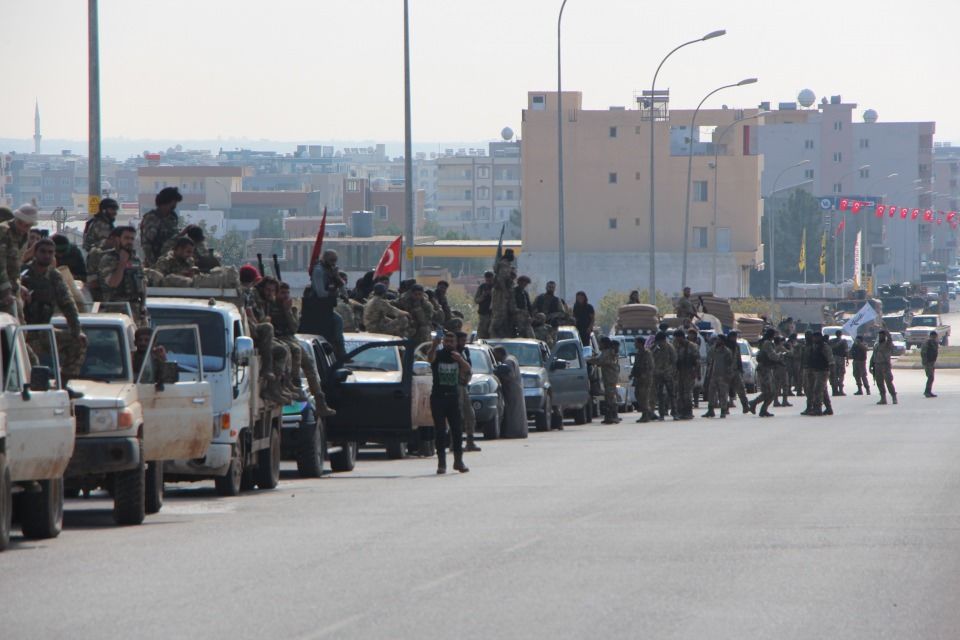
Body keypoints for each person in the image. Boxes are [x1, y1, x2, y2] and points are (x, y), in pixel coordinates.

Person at [20, 238, 88, 381]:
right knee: (32, 364)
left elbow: (68, 304)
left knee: (79, 342)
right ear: (35, 253)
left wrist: (77, 330)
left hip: (43, 332)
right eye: (43, 251)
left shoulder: (54, 276)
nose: (46, 255)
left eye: (50, 252)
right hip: (21, 334)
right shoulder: (23, 274)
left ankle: (64, 383)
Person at [427, 332, 471, 474]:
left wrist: (460, 361)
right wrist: (434, 345)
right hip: (438, 397)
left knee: (457, 431)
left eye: (451, 341)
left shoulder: (458, 355)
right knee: (440, 431)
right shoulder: (438, 354)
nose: (449, 343)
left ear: (455, 342)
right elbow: (430, 358)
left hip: (453, 398)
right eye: (446, 341)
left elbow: (468, 370)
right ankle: (441, 463)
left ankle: (458, 461)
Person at [98, 226, 147, 326]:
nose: (129, 241)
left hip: (135, 310)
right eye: (126, 238)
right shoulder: (108, 259)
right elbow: (113, 283)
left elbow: (143, 285)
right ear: (118, 239)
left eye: (132, 239)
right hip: (116, 309)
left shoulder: (136, 260)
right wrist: (122, 263)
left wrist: (143, 308)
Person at [306, 249, 346, 359]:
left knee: (338, 322)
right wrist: (334, 292)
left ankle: (340, 351)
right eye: (331, 260)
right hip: (317, 306)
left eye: (335, 260)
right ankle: (341, 353)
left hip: (327, 307)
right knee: (338, 321)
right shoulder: (319, 270)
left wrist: (337, 277)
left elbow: (343, 289)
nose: (333, 263)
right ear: (325, 259)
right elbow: (321, 293)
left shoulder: (331, 270)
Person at [0, 204, 37, 317]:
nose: (22, 228)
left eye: (27, 226)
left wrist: (19, 286)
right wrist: (6, 291)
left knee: (20, 326)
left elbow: (16, 264)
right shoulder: (4, 231)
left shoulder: (24, 236)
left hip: (11, 288)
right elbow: (1, 264)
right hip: (3, 288)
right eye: (20, 223)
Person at [140, 187, 182, 267]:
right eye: (174, 202)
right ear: (167, 201)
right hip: (156, 261)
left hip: (171, 260)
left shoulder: (172, 217)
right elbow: (146, 244)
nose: (175, 205)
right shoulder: (152, 218)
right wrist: (153, 265)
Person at [492, 345, 527, 439]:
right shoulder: (511, 358)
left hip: (512, 389)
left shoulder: (508, 361)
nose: (495, 357)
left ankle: (514, 433)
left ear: (500, 353)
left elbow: (510, 375)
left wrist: (498, 374)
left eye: (495, 354)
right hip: (514, 389)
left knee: (513, 413)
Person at [455, 332, 480, 452]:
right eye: (462, 340)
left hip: (464, 386)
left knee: (470, 415)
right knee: (456, 416)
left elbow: (469, 367)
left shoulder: (465, 351)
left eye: (465, 340)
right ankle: (454, 443)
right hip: (455, 386)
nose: (464, 342)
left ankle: (470, 441)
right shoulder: (453, 353)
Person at [748, 328, 781, 417]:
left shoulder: (765, 342)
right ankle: (754, 403)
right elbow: (772, 356)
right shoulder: (767, 343)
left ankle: (763, 409)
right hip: (764, 369)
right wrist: (780, 356)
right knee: (769, 391)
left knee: (772, 392)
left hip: (767, 368)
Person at [588, 337, 621, 424]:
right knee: (610, 397)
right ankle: (610, 417)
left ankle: (612, 417)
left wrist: (589, 361)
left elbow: (601, 361)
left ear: (605, 344)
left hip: (610, 378)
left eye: (601, 343)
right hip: (610, 378)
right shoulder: (607, 352)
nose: (599, 345)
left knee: (610, 398)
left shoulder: (607, 352)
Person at [86, 226, 121, 302]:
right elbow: (92, 280)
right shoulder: (97, 252)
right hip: (102, 298)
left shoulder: (122, 252)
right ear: (113, 238)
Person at [703, 335, 733, 418]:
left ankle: (723, 410)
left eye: (719, 339)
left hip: (723, 375)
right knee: (711, 393)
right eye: (717, 339)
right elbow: (708, 360)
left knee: (723, 394)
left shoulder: (727, 351)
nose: (717, 341)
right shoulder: (713, 349)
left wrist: (728, 376)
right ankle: (710, 410)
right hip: (713, 375)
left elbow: (730, 365)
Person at [805, 333, 834, 416]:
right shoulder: (814, 346)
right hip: (816, 371)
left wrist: (831, 371)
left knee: (817, 390)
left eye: (815, 337)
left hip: (823, 371)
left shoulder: (824, 346)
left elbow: (830, 359)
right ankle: (828, 408)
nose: (814, 339)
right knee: (823, 391)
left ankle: (817, 409)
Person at [490, 250, 517, 338]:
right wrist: (505, 291)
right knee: (499, 315)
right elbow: (501, 279)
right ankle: (494, 334)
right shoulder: (504, 264)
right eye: (512, 254)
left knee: (504, 315)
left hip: (502, 292)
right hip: (501, 293)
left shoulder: (506, 264)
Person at [673, 329, 699, 420]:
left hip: (689, 372)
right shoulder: (676, 346)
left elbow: (696, 361)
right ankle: (680, 412)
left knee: (687, 394)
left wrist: (696, 372)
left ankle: (688, 412)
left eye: (677, 338)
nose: (676, 340)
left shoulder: (692, 346)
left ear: (681, 337)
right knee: (679, 393)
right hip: (679, 372)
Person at [651, 331, 676, 421]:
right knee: (660, 395)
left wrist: (672, 372)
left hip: (668, 374)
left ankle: (674, 413)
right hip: (658, 375)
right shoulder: (655, 348)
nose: (659, 343)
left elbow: (674, 361)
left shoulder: (670, 347)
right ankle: (661, 414)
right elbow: (651, 358)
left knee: (672, 394)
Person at [630, 337, 655, 423]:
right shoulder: (638, 353)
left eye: (635, 342)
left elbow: (649, 366)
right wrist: (632, 374)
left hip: (645, 378)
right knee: (638, 395)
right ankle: (647, 413)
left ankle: (646, 415)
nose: (634, 344)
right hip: (638, 378)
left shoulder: (646, 353)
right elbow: (636, 365)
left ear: (640, 343)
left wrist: (644, 375)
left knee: (643, 397)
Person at [870, 330, 897, 405]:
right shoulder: (876, 345)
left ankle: (894, 397)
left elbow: (890, 338)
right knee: (879, 383)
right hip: (877, 365)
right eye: (879, 335)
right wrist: (871, 365)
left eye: (882, 335)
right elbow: (873, 356)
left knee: (888, 382)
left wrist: (886, 330)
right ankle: (883, 398)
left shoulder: (887, 344)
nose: (880, 337)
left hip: (885, 365)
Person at [725, 332, 750, 413]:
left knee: (741, 390)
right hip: (726, 372)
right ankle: (725, 408)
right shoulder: (725, 346)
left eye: (735, 337)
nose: (734, 339)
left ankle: (745, 406)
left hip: (735, 371)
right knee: (724, 391)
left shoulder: (736, 346)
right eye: (733, 337)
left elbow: (739, 358)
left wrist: (740, 369)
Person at [772, 336, 792, 408]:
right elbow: (789, 354)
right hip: (782, 368)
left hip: (775, 368)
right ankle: (784, 401)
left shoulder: (773, 348)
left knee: (776, 385)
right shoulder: (781, 347)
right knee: (785, 385)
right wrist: (790, 349)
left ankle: (775, 400)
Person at [474, 271, 494, 339]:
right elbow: (476, 300)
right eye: (487, 279)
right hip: (483, 314)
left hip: (493, 314)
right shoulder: (482, 287)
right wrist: (483, 295)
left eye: (490, 279)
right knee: (482, 333)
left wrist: (492, 294)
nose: (488, 281)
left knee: (492, 333)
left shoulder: (496, 287)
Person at [829, 330, 848, 396]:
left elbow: (830, 349)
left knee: (834, 374)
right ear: (841, 334)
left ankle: (835, 390)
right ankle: (840, 390)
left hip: (833, 358)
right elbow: (846, 351)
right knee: (841, 374)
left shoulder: (831, 341)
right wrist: (847, 359)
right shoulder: (843, 341)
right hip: (841, 358)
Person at [921, 330, 939, 398]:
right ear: (932, 336)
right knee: (930, 377)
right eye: (934, 336)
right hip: (928, 362)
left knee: (931, 377)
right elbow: (923, 352)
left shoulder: (934, 342)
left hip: (931, 362)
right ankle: (927, 392)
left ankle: (928, 391)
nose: (935, 338)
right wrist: (925, 362)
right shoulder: (927, 342)